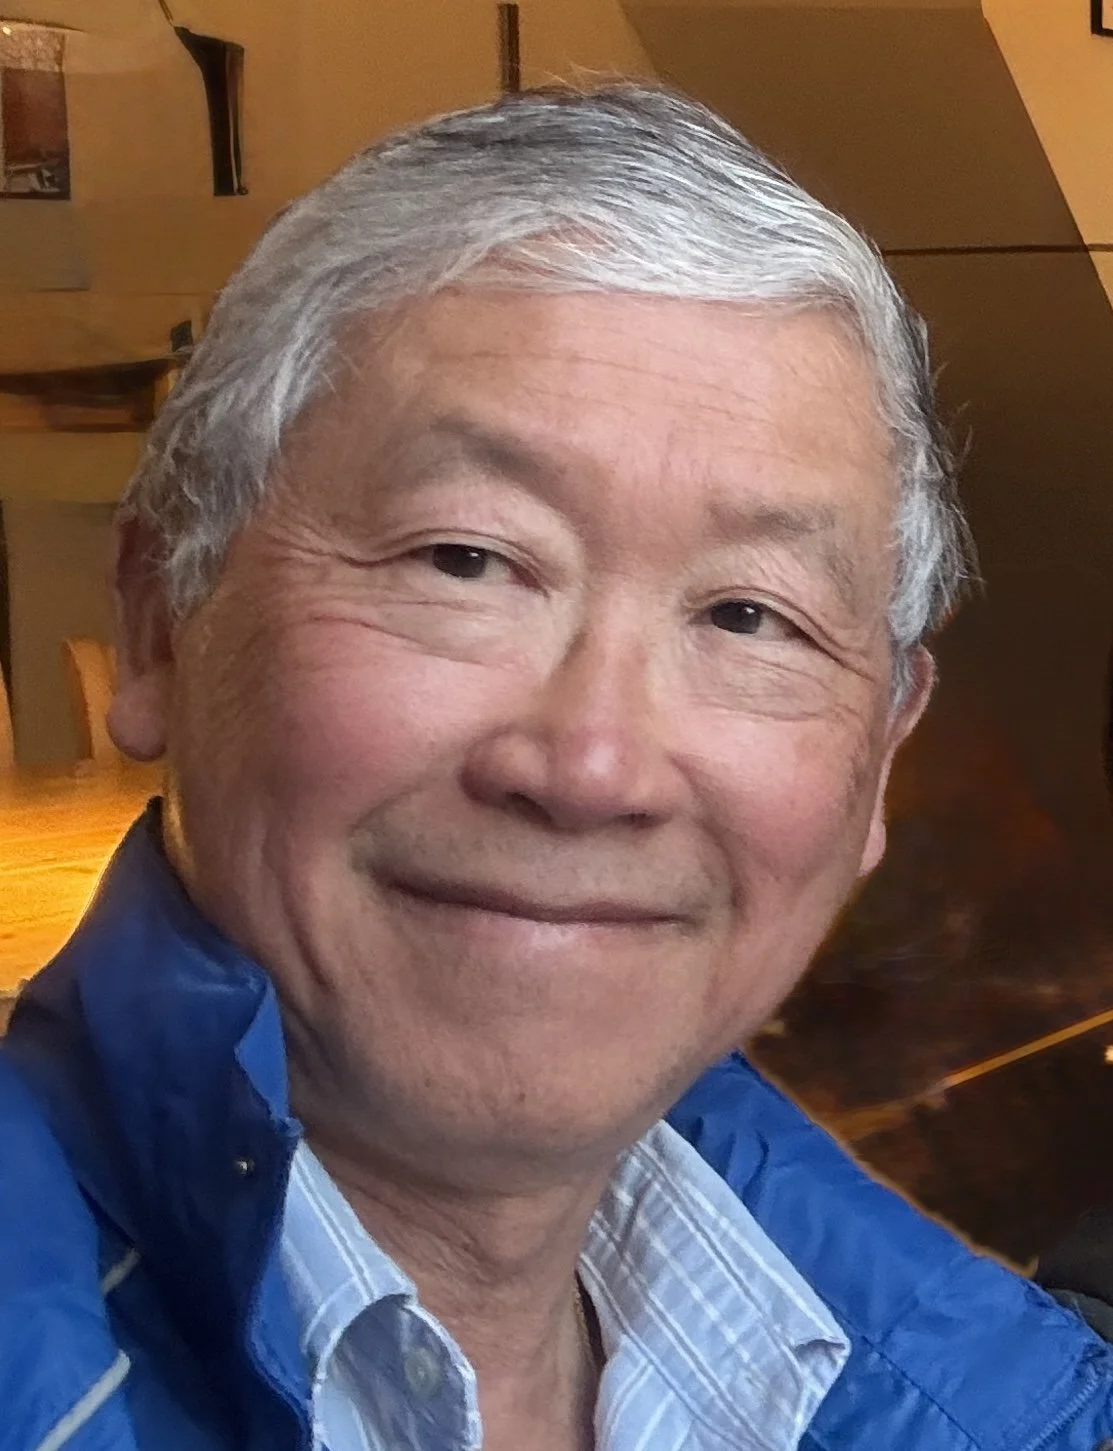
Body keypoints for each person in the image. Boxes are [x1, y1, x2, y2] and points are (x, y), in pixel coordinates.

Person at [3, 83, 1112, 1451]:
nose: (593, 764)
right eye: (467, 558)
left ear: (886, 747)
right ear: (161, 616)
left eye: (746, 614)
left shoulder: (995, 1392)